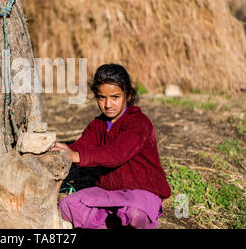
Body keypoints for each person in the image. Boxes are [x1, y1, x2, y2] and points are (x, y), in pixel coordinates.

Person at [50, 63, 171, 229]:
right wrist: (63, 150)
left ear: (128, 96)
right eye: (101, 97)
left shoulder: (139, 123)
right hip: (107, 193)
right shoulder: (97, 124)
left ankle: (121, 220)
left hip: (140, 193)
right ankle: (114, 222)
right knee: (67, 207)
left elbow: (117, 153)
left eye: (115, 97)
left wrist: (77, 156)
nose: (107, 104)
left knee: (134, 214)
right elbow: (81, 145)